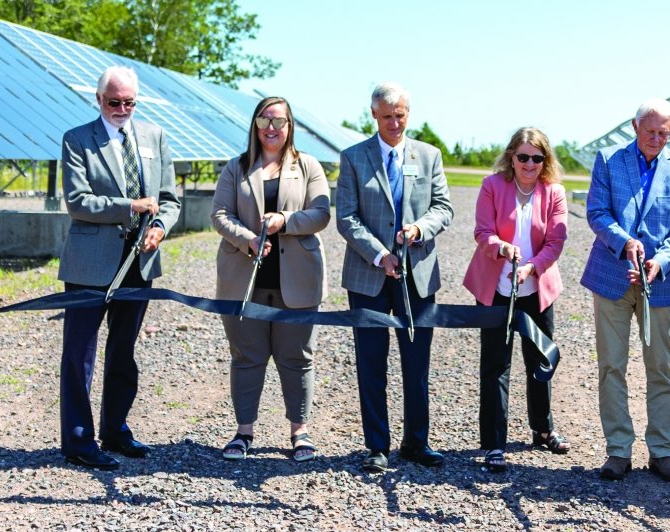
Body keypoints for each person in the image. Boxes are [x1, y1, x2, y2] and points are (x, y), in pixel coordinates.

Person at [57, 65, 180, 471]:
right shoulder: (77, 140)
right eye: (114, 102)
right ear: (98, 99)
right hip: (90, 264)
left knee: (124, 351)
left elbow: (169, 198)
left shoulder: (155, 137)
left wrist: (159, 227)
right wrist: (128, 207)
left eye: (129, 102)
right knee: (80, 354)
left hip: (138, 263)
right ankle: (78, 440)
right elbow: (77, 201)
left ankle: (116, 430)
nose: (122, 109)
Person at [335, 83, 454, 473]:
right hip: (368, 276)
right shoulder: (353, 157)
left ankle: (417, 442)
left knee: (417, 362)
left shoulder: (429, 155)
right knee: (371, 362)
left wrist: (419, 229)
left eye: (401, 114)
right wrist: (379, 254)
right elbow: (347, 217)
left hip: (418, 274)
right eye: (387, 116)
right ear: (373, 115)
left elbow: (443, 208)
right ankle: (377, 447)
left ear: (409, 111)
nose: (395, 122)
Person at [581, 98, 670, 483]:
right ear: (634, 126)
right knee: (611, 365)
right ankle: (618, 450)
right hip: (612, 277)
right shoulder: (610, 159)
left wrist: (659, 261)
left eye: (664, 132)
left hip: (658, 282)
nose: (656, 138)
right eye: (650, 131)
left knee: (660, 368)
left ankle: (662, 451)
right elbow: (597, 212)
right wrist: (625, 242)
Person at [211, 97, 332, 462]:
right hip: (243, 279)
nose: (271, 128)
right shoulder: (236, 168)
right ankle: (244, 432)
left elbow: (322, 213)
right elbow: (219, 214)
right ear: (254, 125)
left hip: (297, 280)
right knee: (247, 357)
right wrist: (245, 239)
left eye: (278, 121)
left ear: (290, 125)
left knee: (296, 357)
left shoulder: (308, 166)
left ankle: (300, 432)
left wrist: (285, 221)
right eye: (264, 120)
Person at [461, 127, 570, 473]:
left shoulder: (554, 192)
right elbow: (482, 231)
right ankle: (494, 443)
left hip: (536, 288)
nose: (529, 164)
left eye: (537, 158)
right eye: (523, 157)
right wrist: (501, 247)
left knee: (539, 361)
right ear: (512, 156)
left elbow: (556, 241)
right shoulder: (493, 186)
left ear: (545, 160)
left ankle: (542, 428)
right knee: (495, 365)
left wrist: (532, 269)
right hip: (495, 287)